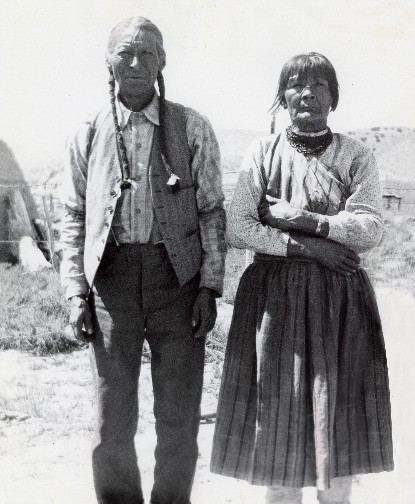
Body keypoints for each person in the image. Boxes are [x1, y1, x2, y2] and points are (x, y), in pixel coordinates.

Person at [210, 52, 393, 504]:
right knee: (278, 421)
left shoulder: (356, 155)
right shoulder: (263, 152)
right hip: (274, 302)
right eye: (295, 84)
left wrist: (302, 219)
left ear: (334, 97)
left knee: (338, 421)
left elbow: (369, 228)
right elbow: (237, 226)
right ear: (282, 96)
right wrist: (309, 247)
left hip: (340, 302)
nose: (307, 92)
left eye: (319, 85)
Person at [60, 16, 226, 504]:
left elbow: (212, 210)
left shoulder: (191, 126)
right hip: (109, 284)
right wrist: (75, 292)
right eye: (125, 53)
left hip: (177, 280)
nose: (136, 63)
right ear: (108, 62)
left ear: (162, 62)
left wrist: (208, 288)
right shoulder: (89, 131)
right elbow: (71, 217)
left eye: (147, 53)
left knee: (178, 418)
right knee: (112, 421)